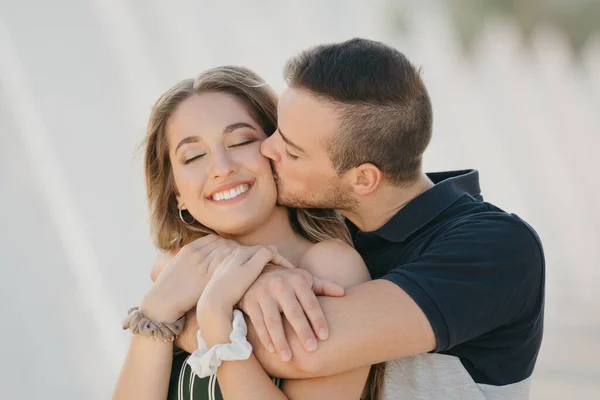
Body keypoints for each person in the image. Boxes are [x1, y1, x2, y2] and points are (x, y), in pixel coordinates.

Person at [172, 38, 545, 399]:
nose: (267, 149)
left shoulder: (495, 249)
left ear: (363, 179)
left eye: (292, 151)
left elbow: (305, 348)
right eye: (276, 131)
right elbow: (175, 260)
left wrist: (188, 318)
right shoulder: (325, 223)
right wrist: (254, 275)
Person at [112, 66, 379, 400]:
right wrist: (156, 311)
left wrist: (216, 318)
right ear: (175, 191)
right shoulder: (182, 269)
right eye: (193, 156)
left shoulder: (329, 268)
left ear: (277, 150)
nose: (222, 168)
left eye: (241, 141)